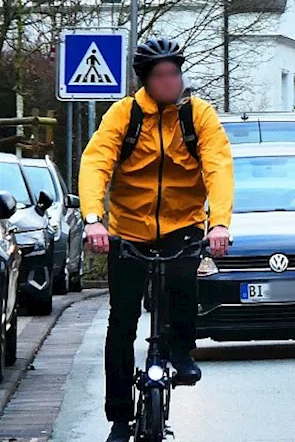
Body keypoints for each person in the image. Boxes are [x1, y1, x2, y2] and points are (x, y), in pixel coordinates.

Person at [79, 38, 234, 442]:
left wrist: (218, 224)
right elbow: (96, 162)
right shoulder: (125, 115)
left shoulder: (197, 115)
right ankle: (118, 417)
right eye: (162, 75)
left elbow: (218, 167)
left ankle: (181, 351)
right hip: (129, 230)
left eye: (175, 73)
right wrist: (94, 219)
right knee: (122, 322)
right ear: (146, 81)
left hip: (182, 226)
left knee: (184, 285)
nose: (171, 82)